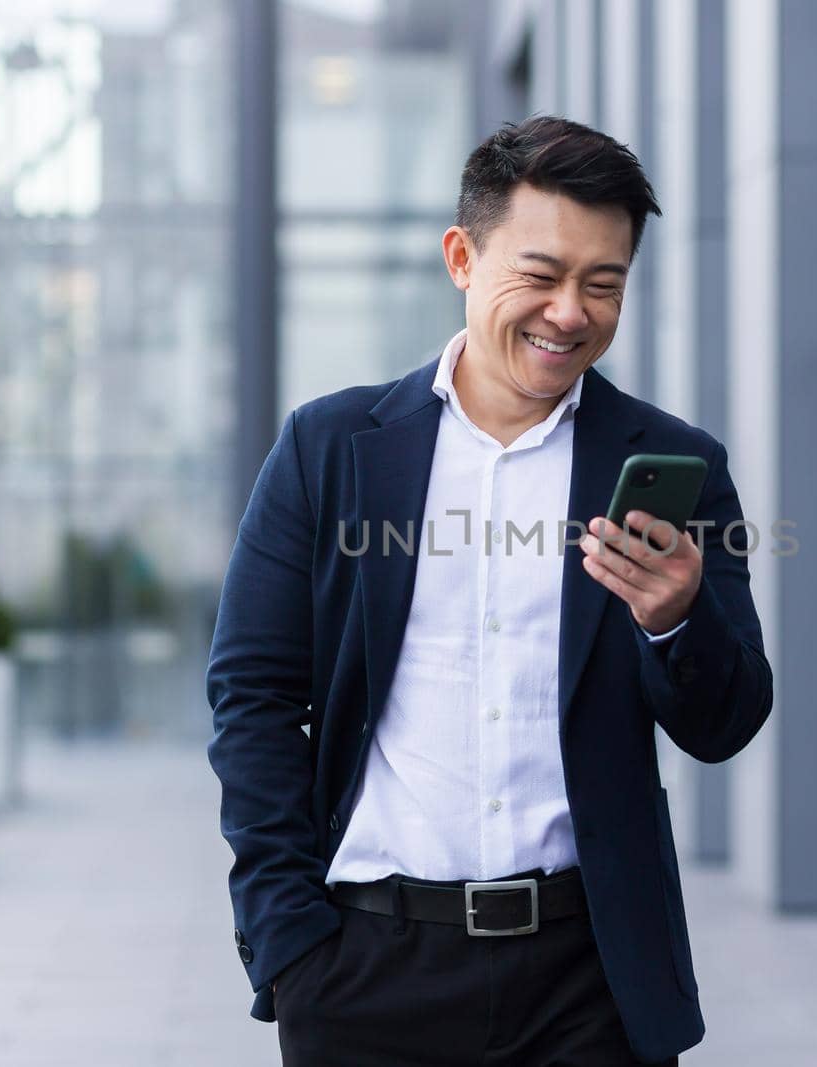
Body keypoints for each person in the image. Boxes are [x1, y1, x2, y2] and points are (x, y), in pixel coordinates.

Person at [206, 114, 773, 1067]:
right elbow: (253, 696)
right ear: (462, 257)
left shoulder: (675, 465)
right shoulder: (330, 450)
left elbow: (726, 721)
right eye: (541, 275)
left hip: (588, 983)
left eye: (604, 283)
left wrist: (677, 620)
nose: (570, 312)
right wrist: (288, 940)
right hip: (365, 971)